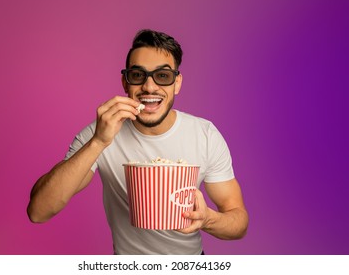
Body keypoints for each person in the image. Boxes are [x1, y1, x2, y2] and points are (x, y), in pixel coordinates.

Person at [27, 29, 249, 255]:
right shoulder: (100, 133)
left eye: (163, 76)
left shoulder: (204, 135)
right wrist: (98, 142)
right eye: (137, 75)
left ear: (177, 83)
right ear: (125, 83)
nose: (150, 87)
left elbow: (238, 222)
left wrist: (207, 219)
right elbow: (39, 211)